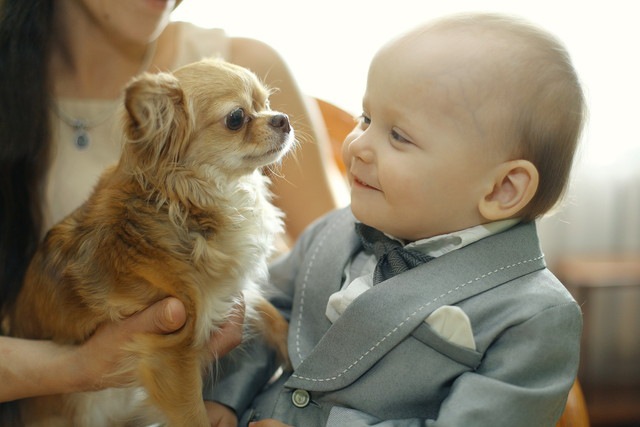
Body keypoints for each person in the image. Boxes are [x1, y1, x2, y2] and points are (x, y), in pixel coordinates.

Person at [204, 12, 586, 427]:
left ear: (502, 190)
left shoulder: (534, 319)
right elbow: (262, 316)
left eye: (399, 136)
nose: (358, 146)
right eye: (365, 119)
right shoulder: (331, 231)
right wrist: (225, 399)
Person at [0, 0, 344, 408]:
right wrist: (78, 367)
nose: (268, 119)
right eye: (235, 119)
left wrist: (247, 403)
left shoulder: (243, 61)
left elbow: (340, 274)